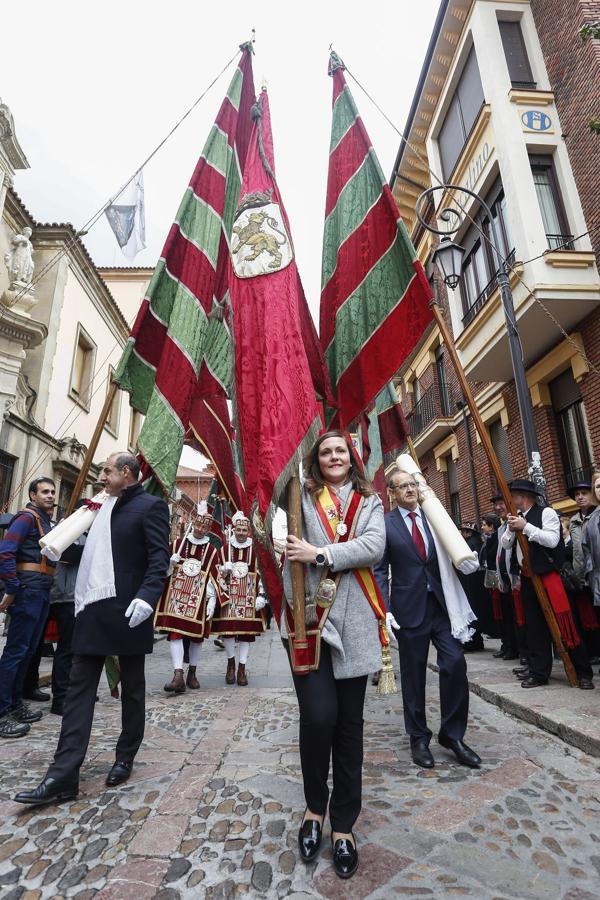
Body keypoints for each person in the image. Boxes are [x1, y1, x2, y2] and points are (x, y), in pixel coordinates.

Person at [14, 452, 170, 806]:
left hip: (130, 610)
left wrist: (147, 598)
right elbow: (91, 555)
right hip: (92, 610)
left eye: (107, 471)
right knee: (76, 693)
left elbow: (159, 558)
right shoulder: (96, 507)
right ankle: (62, 775)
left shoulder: (150, 508)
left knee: (132, 690)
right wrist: (59, 552)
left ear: (126, 473)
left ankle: (125, 756)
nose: (101, 476)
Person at [284, 430, 386, 880]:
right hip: (313, 624)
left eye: (340, 450)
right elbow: (285, 542)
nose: (333, 457)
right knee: (319, 718)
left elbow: (374, 547)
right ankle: (313, 807)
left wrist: (319, 552)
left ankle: (343, 824)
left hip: (358, 623)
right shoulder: (300, 497)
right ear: (316, 460)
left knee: (349, 727)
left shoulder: (371, 503)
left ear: (352, 458)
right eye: (325, 452)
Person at [374, 470, 481, 772]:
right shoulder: (386, 524)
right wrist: (385, 610)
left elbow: (454, 548)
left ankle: (452, 735)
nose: (409, 489)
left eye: (413, 484)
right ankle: (418, 738)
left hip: (442, 607)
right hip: (409, 610)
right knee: (413, 675)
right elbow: (380, 570)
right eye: (402, 486)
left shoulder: (436, 518)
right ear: (392, 494)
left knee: (455, 663)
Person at [501, 478, 593, 689]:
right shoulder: (517, 517)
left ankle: (582, 672)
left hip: (550, 577)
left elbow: (552, 541)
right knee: (534, 628)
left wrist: (526, 527)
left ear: (522, 497)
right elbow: (506, 545)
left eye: (513, 496)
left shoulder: (546, 513)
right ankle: (539, 672)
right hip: (528, 579)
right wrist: (510, 528)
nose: (510, 501)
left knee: (566, 625)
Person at [0, 477, 56, 738]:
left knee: (28, 651)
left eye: (53, 492)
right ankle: (2, 712)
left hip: (42, 591)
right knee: (16, 652)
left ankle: (14, 704)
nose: (50, 496)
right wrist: (12, 587)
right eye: (44, 491)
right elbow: (6, 551)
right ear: (33, 495)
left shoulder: (45, 520)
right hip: (27, 592)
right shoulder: (25, 518)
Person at [155, 503, 219, 693]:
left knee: (196, 637)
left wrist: (213, 599)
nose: (200, 529)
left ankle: (192, 671)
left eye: (204, 527)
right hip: (176, 597)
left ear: (208, 528)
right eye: (198, 525)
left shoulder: (211, 551)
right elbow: (160, 572)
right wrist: (169, 563)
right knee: (175, 633)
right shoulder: (176, 545)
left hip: (198, 599)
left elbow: (215, 577)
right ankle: (178, 674)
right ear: (193, 523)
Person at [211, 511, 266, 686]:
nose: (241, 532)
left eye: (244, 529)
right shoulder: (224, 549)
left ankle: (242, 668)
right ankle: (230, 664)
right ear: (233, 529)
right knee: (228, 630)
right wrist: (223, 571)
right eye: (238, 529)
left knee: (245, 633)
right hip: (230, 597)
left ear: (248, 530)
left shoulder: (256, 549)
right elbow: (214, 574)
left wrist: (262, 595)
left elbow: (263, 574)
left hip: (249, 597)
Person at [568, 481, 600, 662]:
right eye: (577, 494)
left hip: (595, 572)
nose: (580, 497)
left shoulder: (596, 515)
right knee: (587, 617)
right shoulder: (573, 520)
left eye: (584, 493)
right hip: (580, 575)